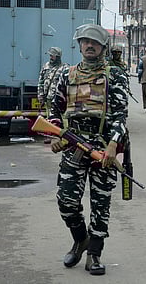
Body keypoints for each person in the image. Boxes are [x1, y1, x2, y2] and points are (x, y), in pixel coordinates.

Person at [48, 24, 128, 276]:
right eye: (85, 41)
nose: (89, 45)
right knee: (66, 200)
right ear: (79, 45)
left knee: (100, 203)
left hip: (103, 148)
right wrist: (56, 134)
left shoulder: (115, 75)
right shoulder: (67, 74)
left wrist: (114, 144)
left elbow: (120, 114)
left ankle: (94, 254)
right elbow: (55, 109)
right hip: (74, 145)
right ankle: (80, 239)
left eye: (94, 42)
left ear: (103, 47)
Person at [38, 47, 68, 117]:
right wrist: (41, 96)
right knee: (50, 119)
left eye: (52, 56)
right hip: (48, 99)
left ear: (57, 57)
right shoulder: (46, 67)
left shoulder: (65, 68)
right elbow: (41, 82)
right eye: (50, 55)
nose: (50, 57)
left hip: (59, 100)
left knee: (62, 118)